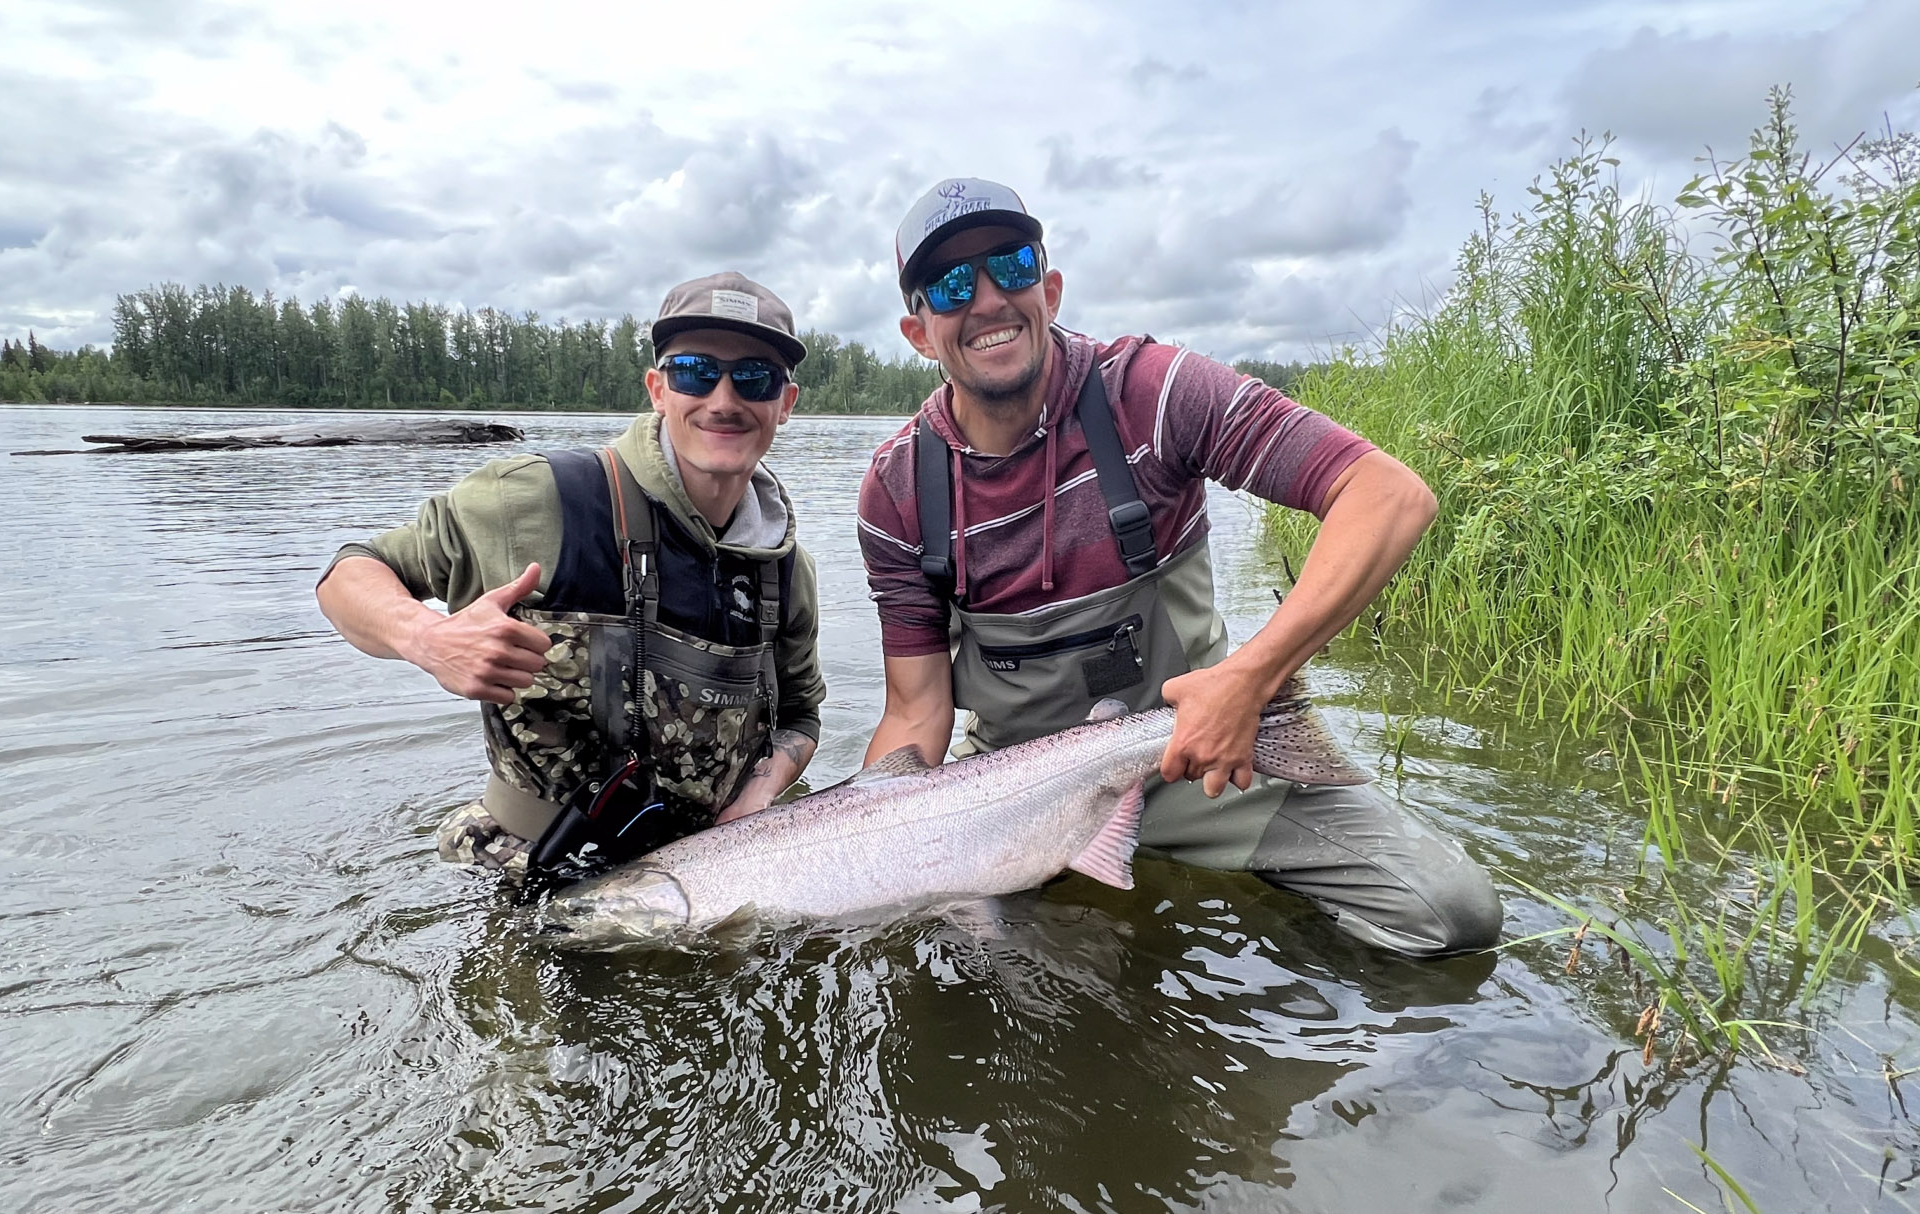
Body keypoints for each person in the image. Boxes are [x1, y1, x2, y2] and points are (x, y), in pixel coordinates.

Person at [856, 179, 1501, 956]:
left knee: (1451, 915)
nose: (988, 299)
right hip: (1013, 795)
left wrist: (1249, 680)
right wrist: (867, 845)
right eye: (952, 285)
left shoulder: (1154, 394)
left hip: (1199, 760)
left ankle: (1278, 953)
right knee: (970, 977)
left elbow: (1387, 495)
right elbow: (915, 713)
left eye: (1011, 265)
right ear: (918, 332)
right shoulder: (897, 489)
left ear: (1049, 290)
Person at [318, 272, 824, 882]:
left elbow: (800, 714)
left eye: (754, 378)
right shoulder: (538, 501)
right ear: (658, 390)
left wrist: (761, 792)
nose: (723, 400)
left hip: (714, 872)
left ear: (785, 405)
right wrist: (426, 638)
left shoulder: (785, 569)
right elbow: (350, 572)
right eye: (695, 371)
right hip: (527, 870)